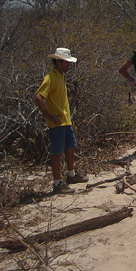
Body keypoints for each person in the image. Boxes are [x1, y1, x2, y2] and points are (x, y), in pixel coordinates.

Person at [34, 48, 88, 194]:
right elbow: (38, 97)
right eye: (66, 63)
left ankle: (71, 175)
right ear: (58, 61)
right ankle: (57, 183)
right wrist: (47, 115)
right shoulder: (50, 77)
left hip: (66, 120)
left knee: (71, 147)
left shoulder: (61, 76)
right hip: (57, 123)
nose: (69, 65)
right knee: (57, 153)